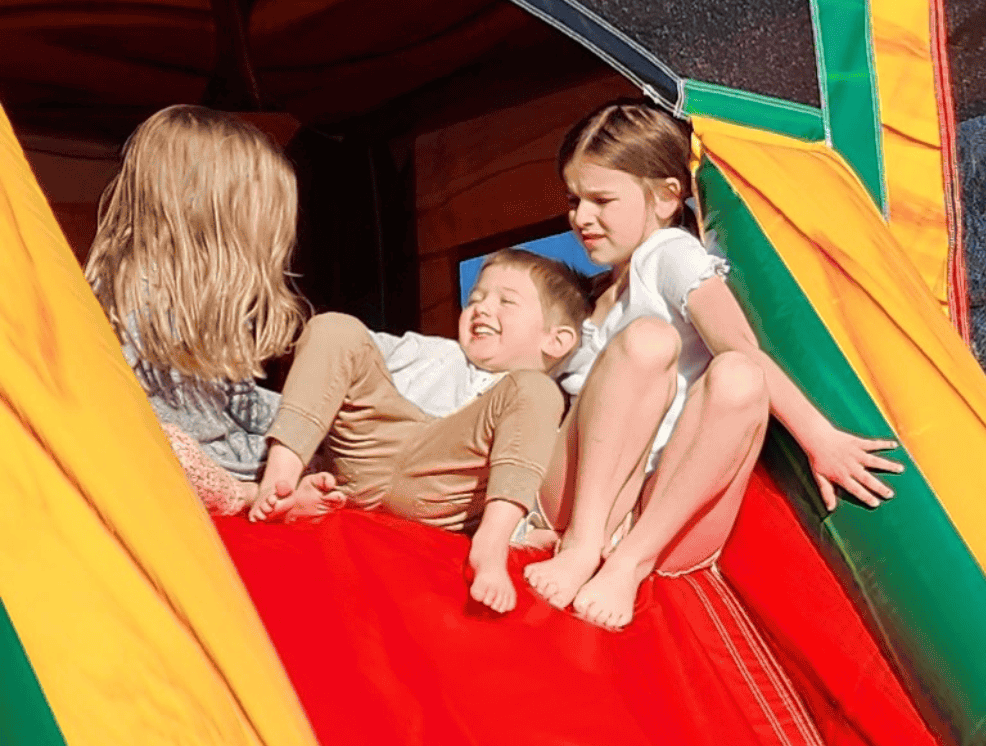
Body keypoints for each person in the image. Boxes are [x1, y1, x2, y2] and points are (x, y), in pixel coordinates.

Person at [522, 100, 903, 630]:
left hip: (659, 515)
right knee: (648, 344)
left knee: (728, 372)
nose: (580, 217)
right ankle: (587, 543)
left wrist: (819, 436)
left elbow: (741, 347)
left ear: (665, 197)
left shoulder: (668, 254)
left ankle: (624, 560)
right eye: (574, 199)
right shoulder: (596, 296)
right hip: (586, 498)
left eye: (601, 199)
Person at [248, 249, 587, 612]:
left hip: (443, 483)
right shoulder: (428, 352)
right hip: (370, 451)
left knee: (536, 389)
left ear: (557, 340)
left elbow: (529, 481)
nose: (483, 307)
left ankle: (491, 543)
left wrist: (527, 534)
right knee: (334, 327)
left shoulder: (534, 404)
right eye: (476, 298)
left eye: (506, 301)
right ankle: (281, 480)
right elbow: (341, 358)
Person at [86, 105, 342, 518]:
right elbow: (130, 432)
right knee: (166, 450)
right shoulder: (136, 302)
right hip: (169, 462)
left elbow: (235, 404)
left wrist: (308, 416)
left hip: (223, 455)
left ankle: (269, 486)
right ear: (213, 222)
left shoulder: (201, 309)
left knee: (314, 434)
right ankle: (251, 494)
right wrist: (245, 487)